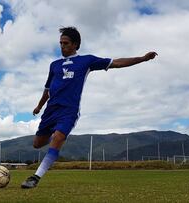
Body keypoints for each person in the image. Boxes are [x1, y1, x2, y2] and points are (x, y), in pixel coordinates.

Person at [21, 26, 157, 189]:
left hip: (68, 111)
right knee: (37, 144)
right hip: (51, 110)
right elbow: (47, 90)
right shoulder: (54, 65)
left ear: (75, 44)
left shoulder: (86, 61)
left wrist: (142, 58)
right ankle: (58, 134)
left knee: (58, 138)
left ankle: (35, 177)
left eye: (65, 43)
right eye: (60, 43)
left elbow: (117, 62)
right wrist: (38, 106)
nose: (62, 46)